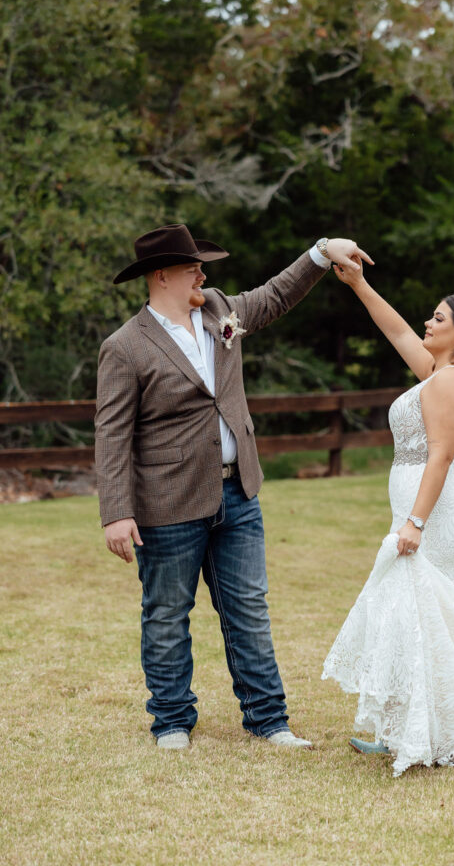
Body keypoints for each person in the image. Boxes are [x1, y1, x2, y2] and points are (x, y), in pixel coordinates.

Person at [96, 224, 371, 750]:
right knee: (167, 614)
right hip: (167, 501)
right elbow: (111, 434)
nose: (203, 273)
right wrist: (115, 512)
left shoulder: (219, 309)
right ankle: (172, 721)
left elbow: (273, 296)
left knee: (248, 606)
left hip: (238, 493)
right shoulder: (125, 347)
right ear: (162, 276)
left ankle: (269, 721)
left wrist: (319, 253)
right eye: (192, 266)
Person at [323, 258, 454, 776]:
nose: (428, 322)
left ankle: (436, 737)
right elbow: (396, 329)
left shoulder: (446, 382)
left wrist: (415, 522)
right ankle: (413, 732)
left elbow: (440, 454)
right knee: (419, 620)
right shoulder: (441, 373)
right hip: (438, 511)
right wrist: (360, 285)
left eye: (439, 319)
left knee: (427, 622)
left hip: (442, 516)